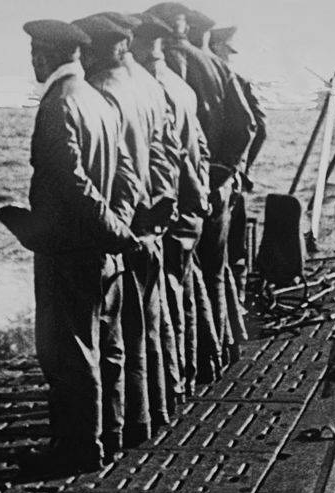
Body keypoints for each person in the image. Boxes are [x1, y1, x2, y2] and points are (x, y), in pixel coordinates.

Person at [11, 19, 154, 474]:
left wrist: (112, 231)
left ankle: (78, 449)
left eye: (35, 52)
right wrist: (119, 227)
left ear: (50, 54)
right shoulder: (97, 98)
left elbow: (72, 183)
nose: (32, 60)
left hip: (70, 252)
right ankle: (108, 436)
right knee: (108, 347)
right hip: (103, 252)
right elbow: (129, 174)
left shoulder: (58, 104)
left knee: (67, 352)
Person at [72, 14, 176, 448]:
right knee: (149, 325)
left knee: (119, 337)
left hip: (124, 224)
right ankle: (158, 410)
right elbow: (167, 151)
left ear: (96, 49)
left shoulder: (99, 92)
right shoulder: (152, 86)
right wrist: (159, 209)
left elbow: (121, 169)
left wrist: (118, 224)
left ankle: (125, 427)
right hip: (151, 219)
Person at [146, 3, 255, 370]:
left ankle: (198, 364)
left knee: (186, 278)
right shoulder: (217, 65)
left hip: (190, 184)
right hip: (217, 181)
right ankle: (225, 348)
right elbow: (248, 126)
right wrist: (226, 173)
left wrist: (202, 180)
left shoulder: (172, 68)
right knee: (216, 269)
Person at [128, 13, 217, 396]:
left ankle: (176, 382)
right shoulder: (180, 87)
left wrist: (159, 209)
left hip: (171, 206)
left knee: (167, 298)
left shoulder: (151, 89)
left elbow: (166, 155)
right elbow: (199, 148)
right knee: (186, 285)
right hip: (190, 202)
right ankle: (199, 364)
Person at [209, 25, 267, 292]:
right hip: (232, 176)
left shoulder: (226, 81)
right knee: (234, 248)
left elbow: (256, 128)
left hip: (220, 176)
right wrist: (243, 168)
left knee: (224, 248)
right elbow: (259, 128)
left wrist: (235, 166)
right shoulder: (236, 80)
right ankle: (238, 303)